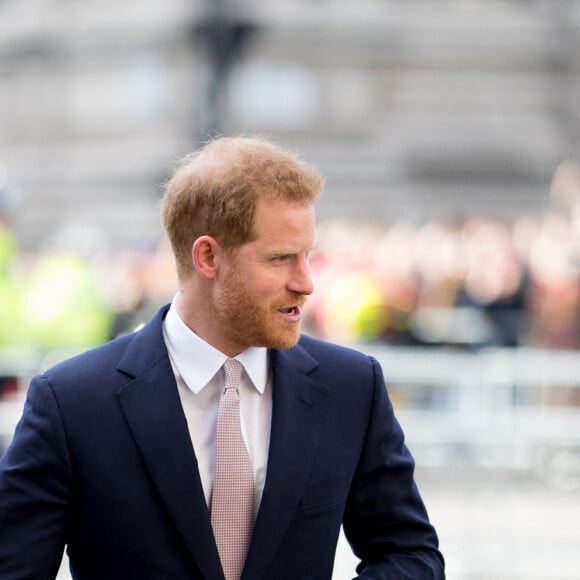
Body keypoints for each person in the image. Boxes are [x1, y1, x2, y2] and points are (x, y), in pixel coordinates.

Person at [0, 136, 444, 579]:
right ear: (208, 256)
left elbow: (410, 555)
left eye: (308, 256)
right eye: (282, 258)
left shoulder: (351, 387)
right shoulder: (72, 403)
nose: (307, 282)